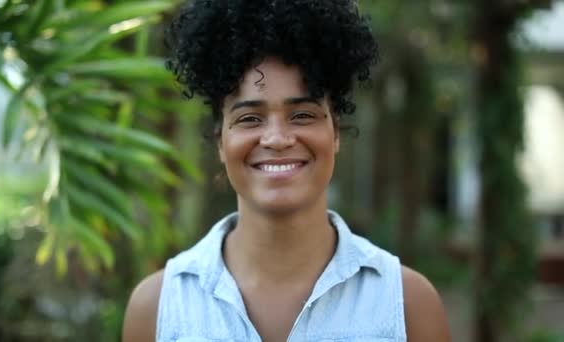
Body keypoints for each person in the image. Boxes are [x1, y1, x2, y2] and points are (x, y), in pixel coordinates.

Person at [123, 0, 451, 341]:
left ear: (335, 132)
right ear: (221, 141)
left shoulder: (408, 307)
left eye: (303, 115)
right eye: (250, 118)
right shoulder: (157, 309)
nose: (277, 138)